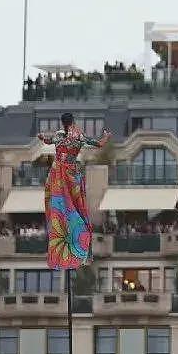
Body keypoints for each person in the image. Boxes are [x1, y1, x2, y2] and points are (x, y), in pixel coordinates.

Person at [37, 113, 110, 269]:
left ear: (62, 122)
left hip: (57, 173)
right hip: (70, 173)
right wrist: (105, 138)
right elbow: (98, 144)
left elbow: (48, 141)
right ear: (73, 122)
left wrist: (42, 138)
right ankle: (78, 243)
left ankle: (65, 241)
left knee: (58, 207)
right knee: (76, 206)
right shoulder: (77, 136)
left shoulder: (58, 135)